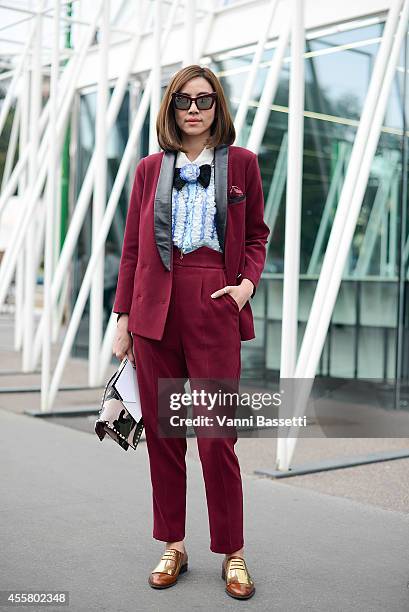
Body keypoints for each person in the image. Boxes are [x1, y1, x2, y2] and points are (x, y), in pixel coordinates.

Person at [112, 64, 270, 600]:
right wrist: (123, 320)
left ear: (217, 107)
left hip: (215, 305)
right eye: (184, 100)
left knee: (216, 439)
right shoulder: (149, 169)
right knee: (165, 437)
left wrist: (246, 284)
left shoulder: (243, 164)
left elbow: (256, 236)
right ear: (171, 108)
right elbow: (133, 247)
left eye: (204, 99)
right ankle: (173, 545)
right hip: (155, 310)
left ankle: (233, 551)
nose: (194, 109)